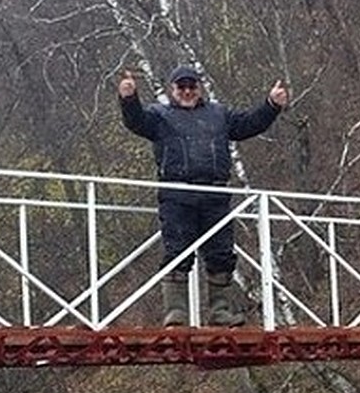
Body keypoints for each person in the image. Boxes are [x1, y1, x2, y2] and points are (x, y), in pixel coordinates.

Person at [117, 64, 288, 326]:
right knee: (177, 251)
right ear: (172, 90)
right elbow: (136, 121)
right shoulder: (159, 115)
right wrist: (129, 99)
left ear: (200, 88)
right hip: (177, 193)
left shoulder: (219, 114)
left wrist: (271, 106)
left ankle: (220, 313)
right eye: (181, 87)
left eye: (192, 86)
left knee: (221, 254)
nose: (187, 91)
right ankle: (176, 314)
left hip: (215, 193)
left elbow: (248, 125)